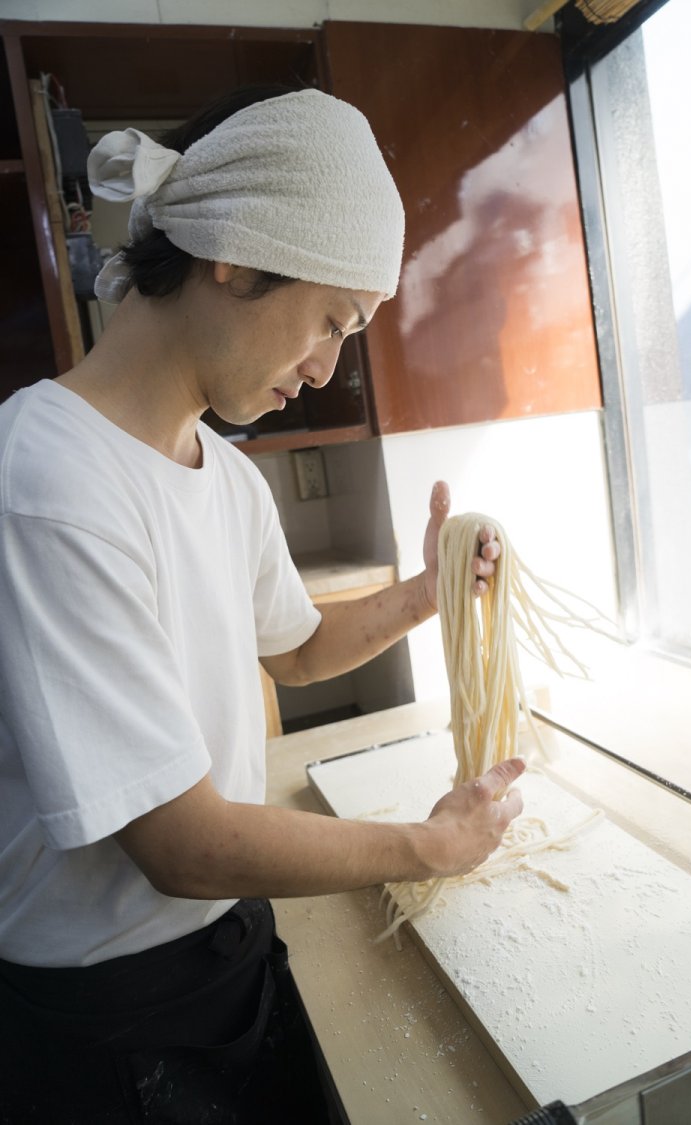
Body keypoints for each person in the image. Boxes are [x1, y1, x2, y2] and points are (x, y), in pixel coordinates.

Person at [0, 86, 525, 1123]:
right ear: (233, 253)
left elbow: (294, 649)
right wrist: (427, 847)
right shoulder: (48, 477)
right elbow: (180, 842)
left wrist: (428, 593)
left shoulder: (223, 476)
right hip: (107, 1018)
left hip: (230, 932)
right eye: (332, 321)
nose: (328, 370)